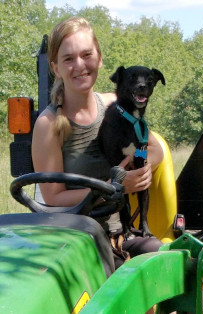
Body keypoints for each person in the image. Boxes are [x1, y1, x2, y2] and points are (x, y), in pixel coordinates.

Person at [32, 16, 163, 268]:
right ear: (56, 68)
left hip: (118, 235)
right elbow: (54, 198)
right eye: (68, 59)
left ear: (99, 59)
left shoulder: (116, 105)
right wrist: (114, 187)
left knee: (157, 257)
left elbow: (155, 149)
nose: (79, 65)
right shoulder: (48, 125)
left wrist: (142, 171)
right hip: (74, 240)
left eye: (86, 55)